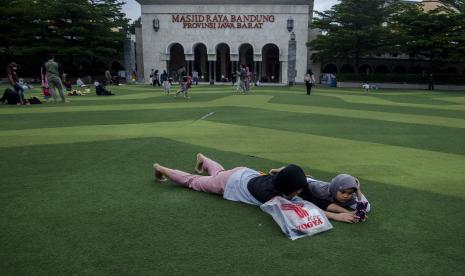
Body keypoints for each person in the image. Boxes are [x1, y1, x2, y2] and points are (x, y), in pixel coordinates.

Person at [154, 154, 361, 223]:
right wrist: (336, 217)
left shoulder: (285, 183)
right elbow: (302, 209)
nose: (299, 193)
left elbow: (295, 179)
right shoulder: (269, 196)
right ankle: (160, 168)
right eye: (296, 190)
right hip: (232, 182)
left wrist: (348, 211)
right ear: (288, 186)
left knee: (217, 174)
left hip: (245, 174)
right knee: (194, 182)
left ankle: (203, 158)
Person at [305, 173, 371, 214]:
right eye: (343, 192)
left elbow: (367, 208)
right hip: (314, 183)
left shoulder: (350, 199)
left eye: (350, 193)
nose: (346, 196)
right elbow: (306, 182)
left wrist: (358, 191)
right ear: (336, 189)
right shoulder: (320, 190)